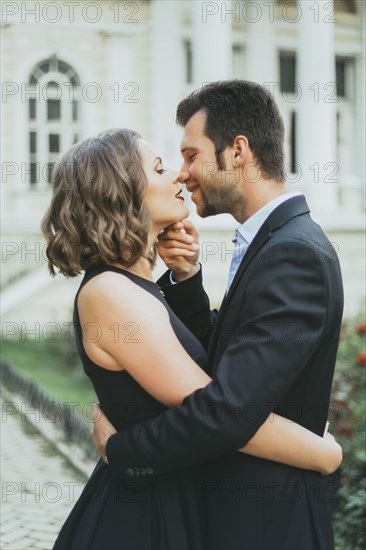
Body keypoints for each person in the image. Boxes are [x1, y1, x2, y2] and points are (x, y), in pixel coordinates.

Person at [92, 81, 344, 550]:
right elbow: (223, 366)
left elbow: (228, 409)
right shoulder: (270, 243)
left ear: (237, 152)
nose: (184, 174)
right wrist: (188, 280)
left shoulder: (294, 254)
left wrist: (122, 451)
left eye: (190, 156)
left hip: (265, 525)